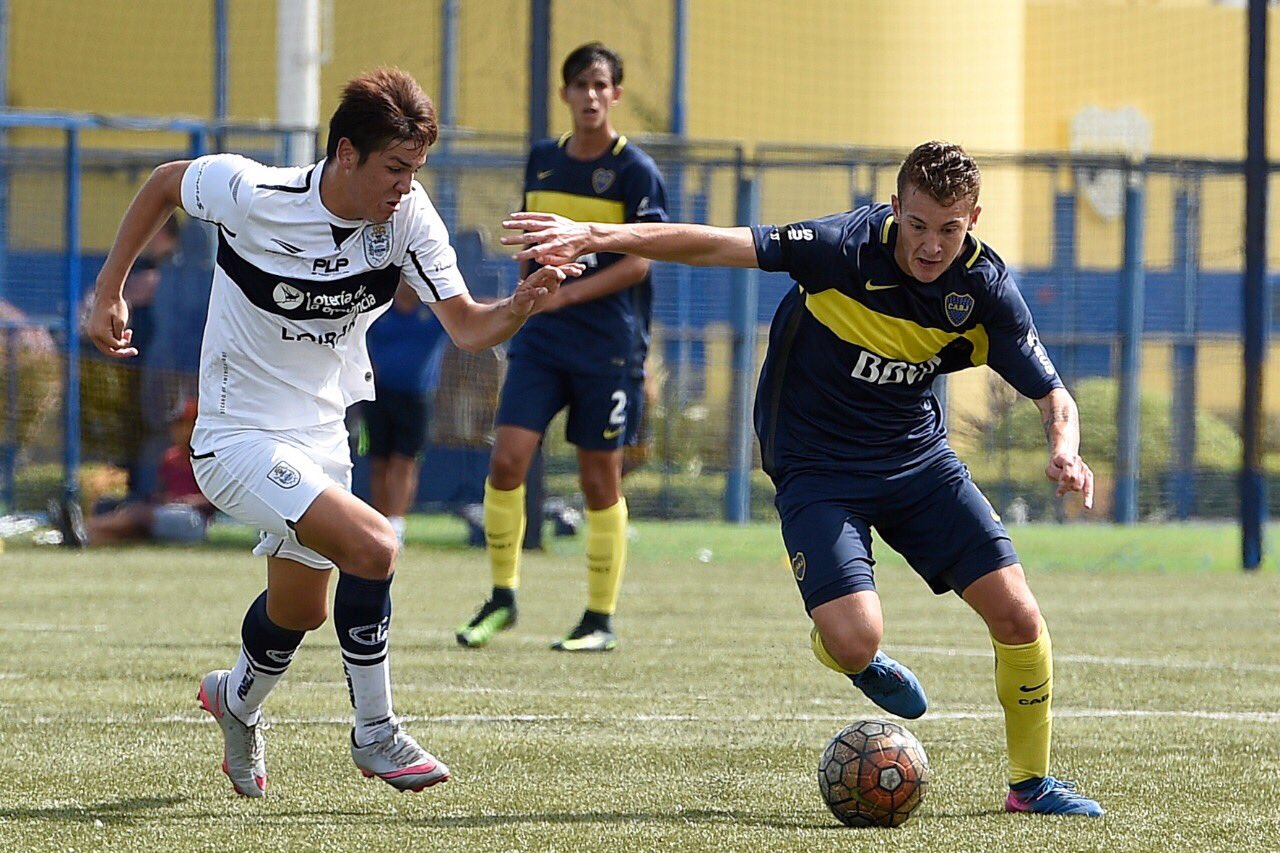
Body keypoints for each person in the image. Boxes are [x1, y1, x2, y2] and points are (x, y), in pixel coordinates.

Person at [502, 141, 1104, 816]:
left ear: (973, 220)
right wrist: (597, 234)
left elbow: (1054, 393)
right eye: (918, 225)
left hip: (916, 462)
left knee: (1019, 613)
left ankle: (1030, 785)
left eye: (950, 229)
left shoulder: (982, 287)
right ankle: (850, 655)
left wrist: (1066, 448)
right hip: (817, 466)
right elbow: (710, 245)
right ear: (897, 207)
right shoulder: (839, 248)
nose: (931, 245)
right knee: (856, 638)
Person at [87, 68, 581, 798]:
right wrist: (109, 291)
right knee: (376, 544)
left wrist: (519, 306)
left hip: (320, 437)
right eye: (394, 168)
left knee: (302, 609)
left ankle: (235, 699)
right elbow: (165, 181)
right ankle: (376, 733)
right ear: (345, 153)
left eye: (415, 169)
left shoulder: (407, 221)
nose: (405, 186)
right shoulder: (252, 193)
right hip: (235, 437)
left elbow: (469, 326)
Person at [455, 42, 669, 653]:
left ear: (616, 95)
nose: (591, 96)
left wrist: (565, 297)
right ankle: (502, 598)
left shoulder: (636, 172)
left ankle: (598, 618)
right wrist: (529, 286)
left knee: (599, 477)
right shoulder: (543, 160)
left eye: (602, 86)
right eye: (580, 85)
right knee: (507, 461)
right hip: (541, 342)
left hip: (607, 347)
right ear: (565, 94)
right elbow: (530, 237)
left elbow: (638, 264)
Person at [362, 280, 448, 543]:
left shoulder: (434, 315)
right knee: (379, 462)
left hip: (416, 399)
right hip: (377, 396)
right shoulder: (378, 311)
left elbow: (472, 317)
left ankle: (395, 527)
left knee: (405, 461)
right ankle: (378, 525)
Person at [82, 397, 215, 545]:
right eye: (175, 425)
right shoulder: (170, 457)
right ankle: (80, 536)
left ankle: (81, 530)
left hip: (195, 520)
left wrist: (188, 501)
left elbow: (218, 500)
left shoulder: (209, 457)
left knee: (141, 516)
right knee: (125, 518)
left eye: (183, 424)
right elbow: (159, 492)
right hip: (164, 512)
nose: (176, 430)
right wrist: (162, 499)